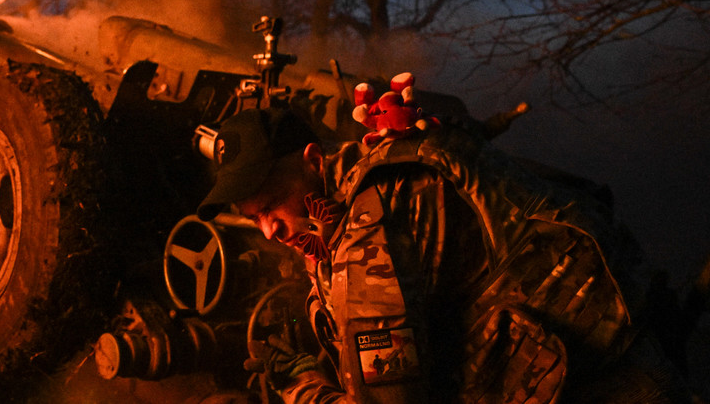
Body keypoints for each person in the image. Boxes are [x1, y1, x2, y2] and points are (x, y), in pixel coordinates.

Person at [196, 103, 692, 403]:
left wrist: (303, 385)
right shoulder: (369, 176)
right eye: (251, 216)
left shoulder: (366, 232)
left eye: (270, 205)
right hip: (620, 369)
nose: (267, 230)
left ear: (311, 161)